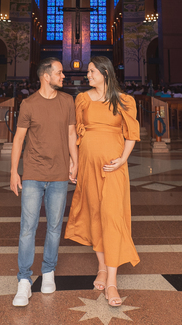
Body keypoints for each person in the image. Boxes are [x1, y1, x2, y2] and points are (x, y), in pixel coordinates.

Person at [65, 55, 140, 308]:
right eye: (88, 72)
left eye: (92, 72)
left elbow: (131, 134)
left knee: (112, 216)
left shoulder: (126, 100)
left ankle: (112, 282)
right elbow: (75, 132)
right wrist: (74, 163)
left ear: (105, 74)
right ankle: (101, 267)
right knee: (94, 213)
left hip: (113, 167)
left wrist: (122, 160)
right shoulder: (82, 99)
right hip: (87, 165)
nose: (88, 76)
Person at [10, 58, 77, 307]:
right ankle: (24, 281)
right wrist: (13, 172)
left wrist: (75, 162)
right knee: (27, 227)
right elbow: (18, 139)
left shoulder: (67, 101)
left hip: (59, 174)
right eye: (59, 73)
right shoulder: (28, 104)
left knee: (54, 226)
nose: (63, 76)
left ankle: (48, 271)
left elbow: (72, 134)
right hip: (33, 174)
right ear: (45, 76)